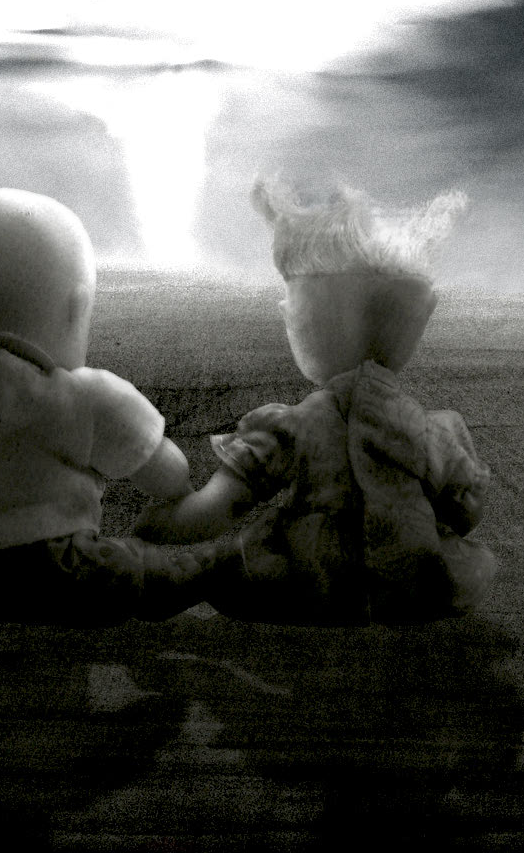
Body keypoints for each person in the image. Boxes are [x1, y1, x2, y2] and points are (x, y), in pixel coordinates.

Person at [0, 188, 246, 625]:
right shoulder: (85, 395)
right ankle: (206, 571)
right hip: (54, 569)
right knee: (127, 568)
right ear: (77, 310)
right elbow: (163, 467)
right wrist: (179, 492)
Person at [134, 177, 499, 625]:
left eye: (291, 304)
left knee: (219, 565)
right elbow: (465, 512)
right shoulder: (435, 431)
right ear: (417, 323)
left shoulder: (291, 427)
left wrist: (159, 522)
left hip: (305, 583)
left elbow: (217, 510)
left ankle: (155, 582)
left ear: (300, 322)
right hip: (413, 589)